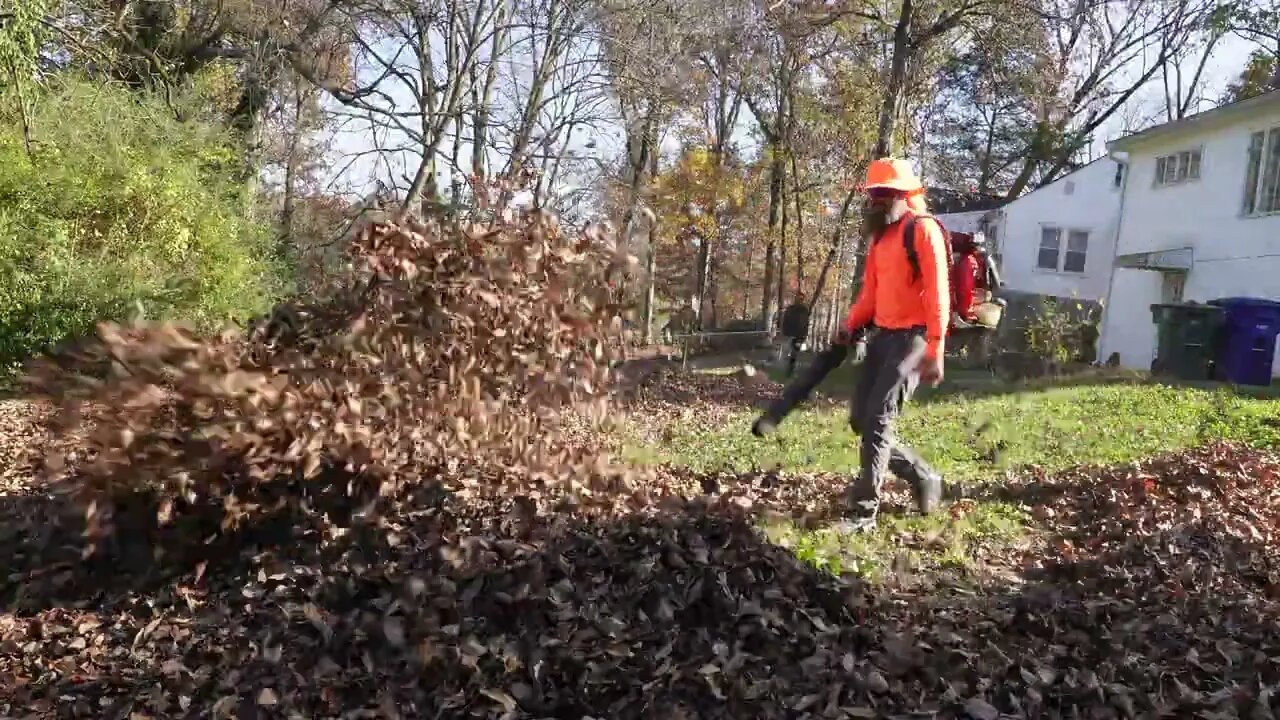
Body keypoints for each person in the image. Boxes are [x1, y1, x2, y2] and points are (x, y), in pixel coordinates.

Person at [835, 157, 946, 532]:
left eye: (885, 194)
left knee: (879, 419)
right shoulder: (881, 237)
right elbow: (871, 294)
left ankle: (863, 513)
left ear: (904, 194)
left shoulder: (923, 230)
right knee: (861, 421)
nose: (877, 201)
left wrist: (935, 349)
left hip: (913, 340)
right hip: (882, 337)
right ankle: (923, 475)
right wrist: (849, 325)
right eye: (873, 195)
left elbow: (938, 295)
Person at [779, 292, 811, 378]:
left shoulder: (804, 310)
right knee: (786, 352)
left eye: (801, 298)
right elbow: (785, 321)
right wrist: (783, 331)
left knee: (794, 353)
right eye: (798, 298)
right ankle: (785, 368)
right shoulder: (790, 309)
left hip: (799, 335)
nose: (799, 300)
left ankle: (790, 371)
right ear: (795, 298)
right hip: (788, 334)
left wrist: (805, 334)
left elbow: (806, 323)